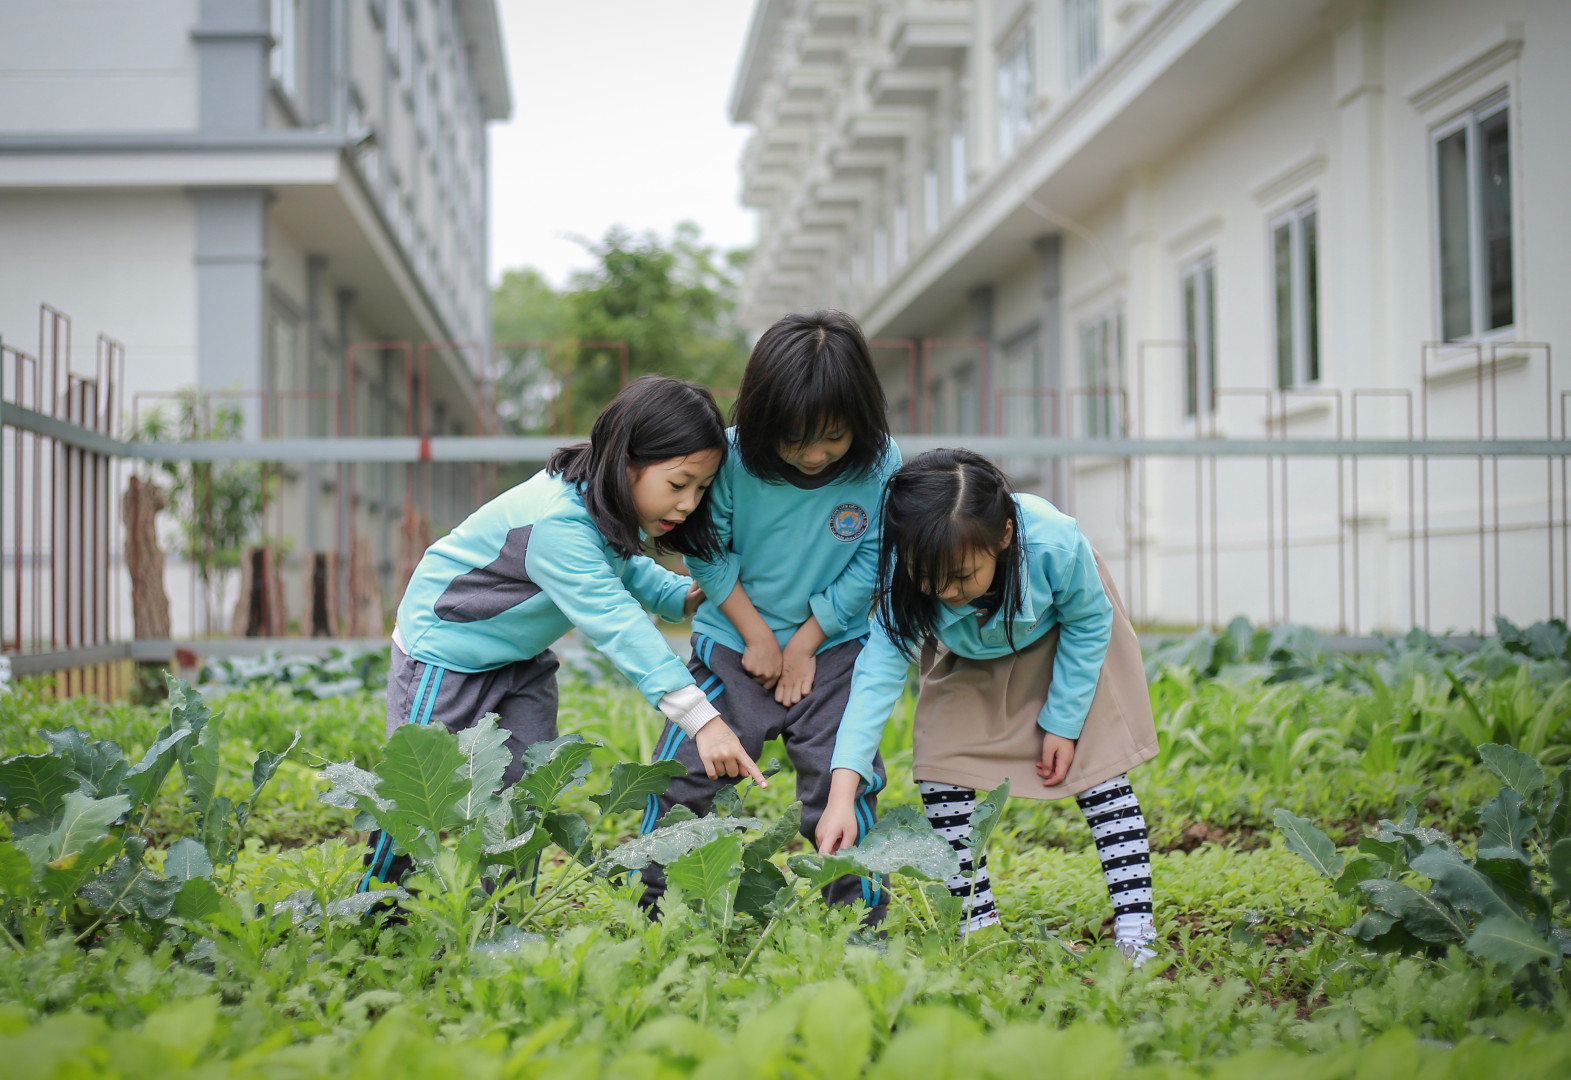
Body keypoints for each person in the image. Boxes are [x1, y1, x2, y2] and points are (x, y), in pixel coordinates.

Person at [360, 376, 765, 891]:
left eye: (702, 488)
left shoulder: (602, 506)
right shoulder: (558, 523)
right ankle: (379, 906)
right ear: (626, 461)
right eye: (679, 483)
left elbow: (621, 566)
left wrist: (682, 594)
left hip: (519, 658)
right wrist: (703, 721)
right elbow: (617, 623)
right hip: (447, 653)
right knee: (418, 789)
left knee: (527, 784)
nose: (688, 503)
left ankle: (499, 909)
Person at [817, 449, 1161, 964]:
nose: (944, 592)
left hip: (1063, 641)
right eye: (928, 577)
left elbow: (1090, 624)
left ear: (1003, 536)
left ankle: (1136, 927)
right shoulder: (906, 584)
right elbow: (873, 685)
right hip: (968, 652)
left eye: (961, 575)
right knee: (940, 772)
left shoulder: (1054, 543)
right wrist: (842, 793)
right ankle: (978, 924)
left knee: (1101, 776)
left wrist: (1063, 725)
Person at [639, 310, 901, 918]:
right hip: (733, 645)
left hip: (833, 650)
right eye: (793, 438)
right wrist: (757, 635)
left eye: (833, 437)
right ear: (760, 421)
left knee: (845, 776)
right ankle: (656, 907)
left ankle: (857, 917)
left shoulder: (880, 462)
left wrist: (806, 643)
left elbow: (871, 561)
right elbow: (705, 549)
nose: (813, 455)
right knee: (682, 769)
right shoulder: (729, 460)